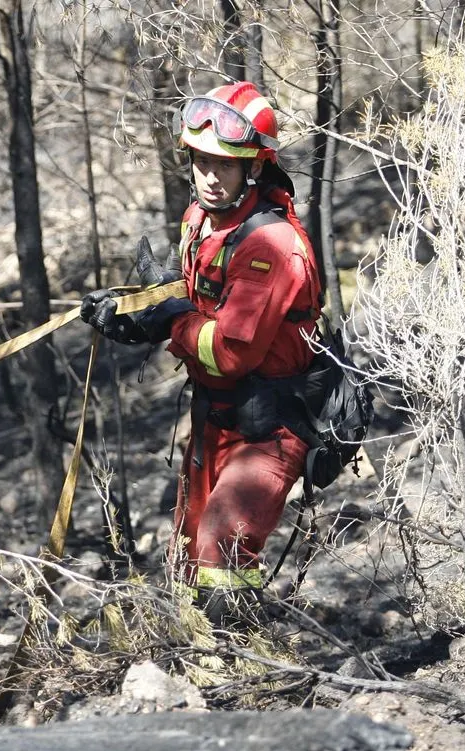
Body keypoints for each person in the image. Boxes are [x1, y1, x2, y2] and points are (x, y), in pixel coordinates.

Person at [80, 81, 323, 626]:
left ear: (254, 168)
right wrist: (137, 318)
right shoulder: (201, 220)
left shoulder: (271, 248)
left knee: (222, 545)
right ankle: (201, 668)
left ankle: (245, 676)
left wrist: (170, 321)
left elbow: (228, 350)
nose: (211, 176)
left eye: (227, 165)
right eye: (202, 161)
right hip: (217, 415)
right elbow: (198, 306)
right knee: (190, 549)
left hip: (270, 423)